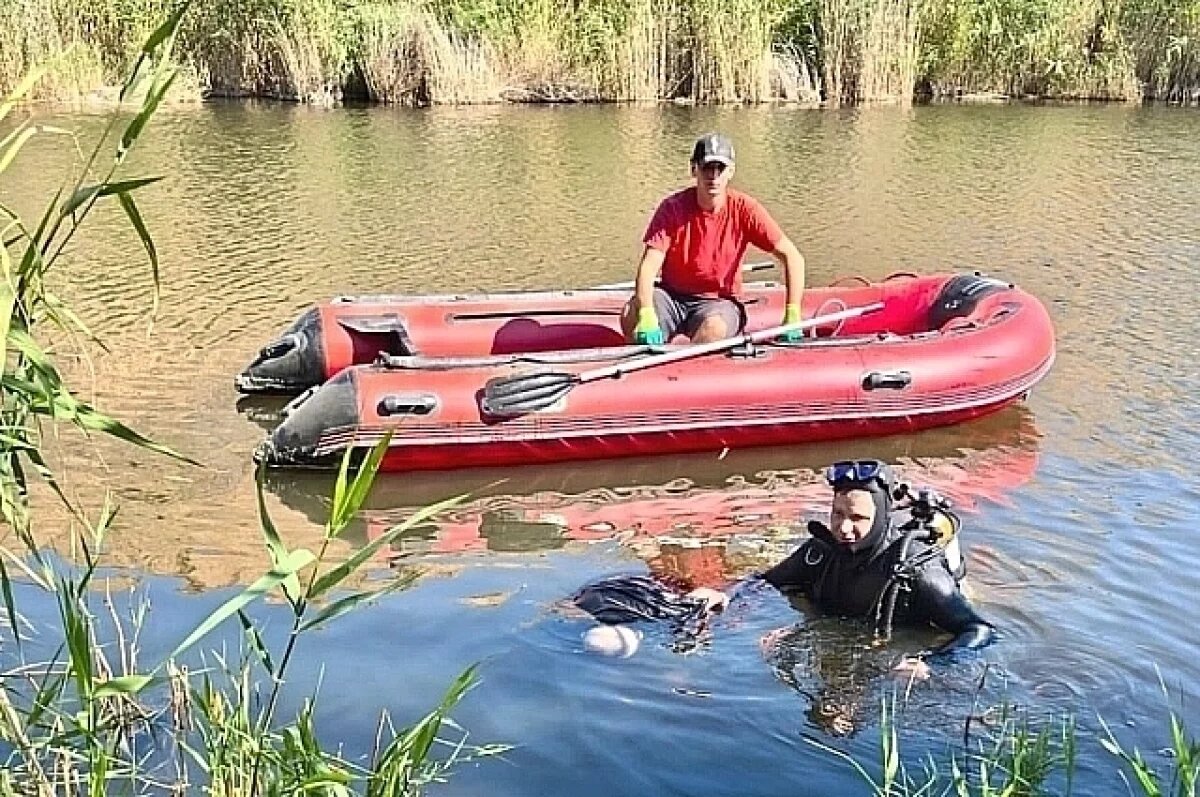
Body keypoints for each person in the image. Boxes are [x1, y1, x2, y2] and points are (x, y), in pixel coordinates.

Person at [760, 459, 995, 680]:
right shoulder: (819, 552)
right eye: (838, 514)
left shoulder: (917, 569)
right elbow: (763, 582)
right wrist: (728, 597)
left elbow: (980, 630)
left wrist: (933, 663)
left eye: (858, 517)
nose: (844, 528)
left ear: (881, 516)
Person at [621, 133, 807, 346]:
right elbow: (648, 266)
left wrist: (793, 314)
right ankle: (642, 363)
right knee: (630, 313)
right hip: (672, 297)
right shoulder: (672, 208)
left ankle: (685, 372)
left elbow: (793, 257)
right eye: (707, 168)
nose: (714, 176)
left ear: (731, 172)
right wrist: (646, 314)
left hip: (718, 302)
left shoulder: (746, 209)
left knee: (713, 329)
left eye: (720, 168)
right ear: (694, 169)